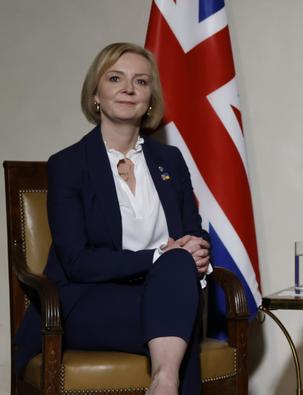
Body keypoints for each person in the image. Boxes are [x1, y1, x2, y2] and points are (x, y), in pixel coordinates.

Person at [13, 42, 212, 394]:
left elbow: (191, 231)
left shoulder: (171, 160)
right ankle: (167, 378)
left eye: (141, 81)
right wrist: (158, 257)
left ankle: (164, 382)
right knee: (182, 322)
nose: (128, 89)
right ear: (95, 94)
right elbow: (76, 261)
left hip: (163, 293)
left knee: (178, 275)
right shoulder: (69, 164)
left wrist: (196, 249)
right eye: (116, 78)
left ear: (151, 98)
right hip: (86, 300)